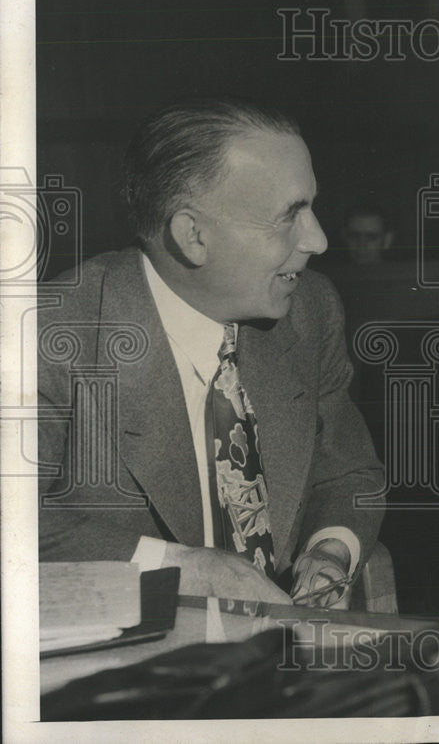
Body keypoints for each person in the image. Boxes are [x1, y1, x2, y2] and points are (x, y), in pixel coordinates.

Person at [37, 99, 385, 609]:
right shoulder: (48, 332)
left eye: (311, 207)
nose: (319, 239)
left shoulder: (309, 309)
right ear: (193, 236)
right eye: (289, 215)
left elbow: (349, 472)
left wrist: (329, 550)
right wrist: (184, 570)